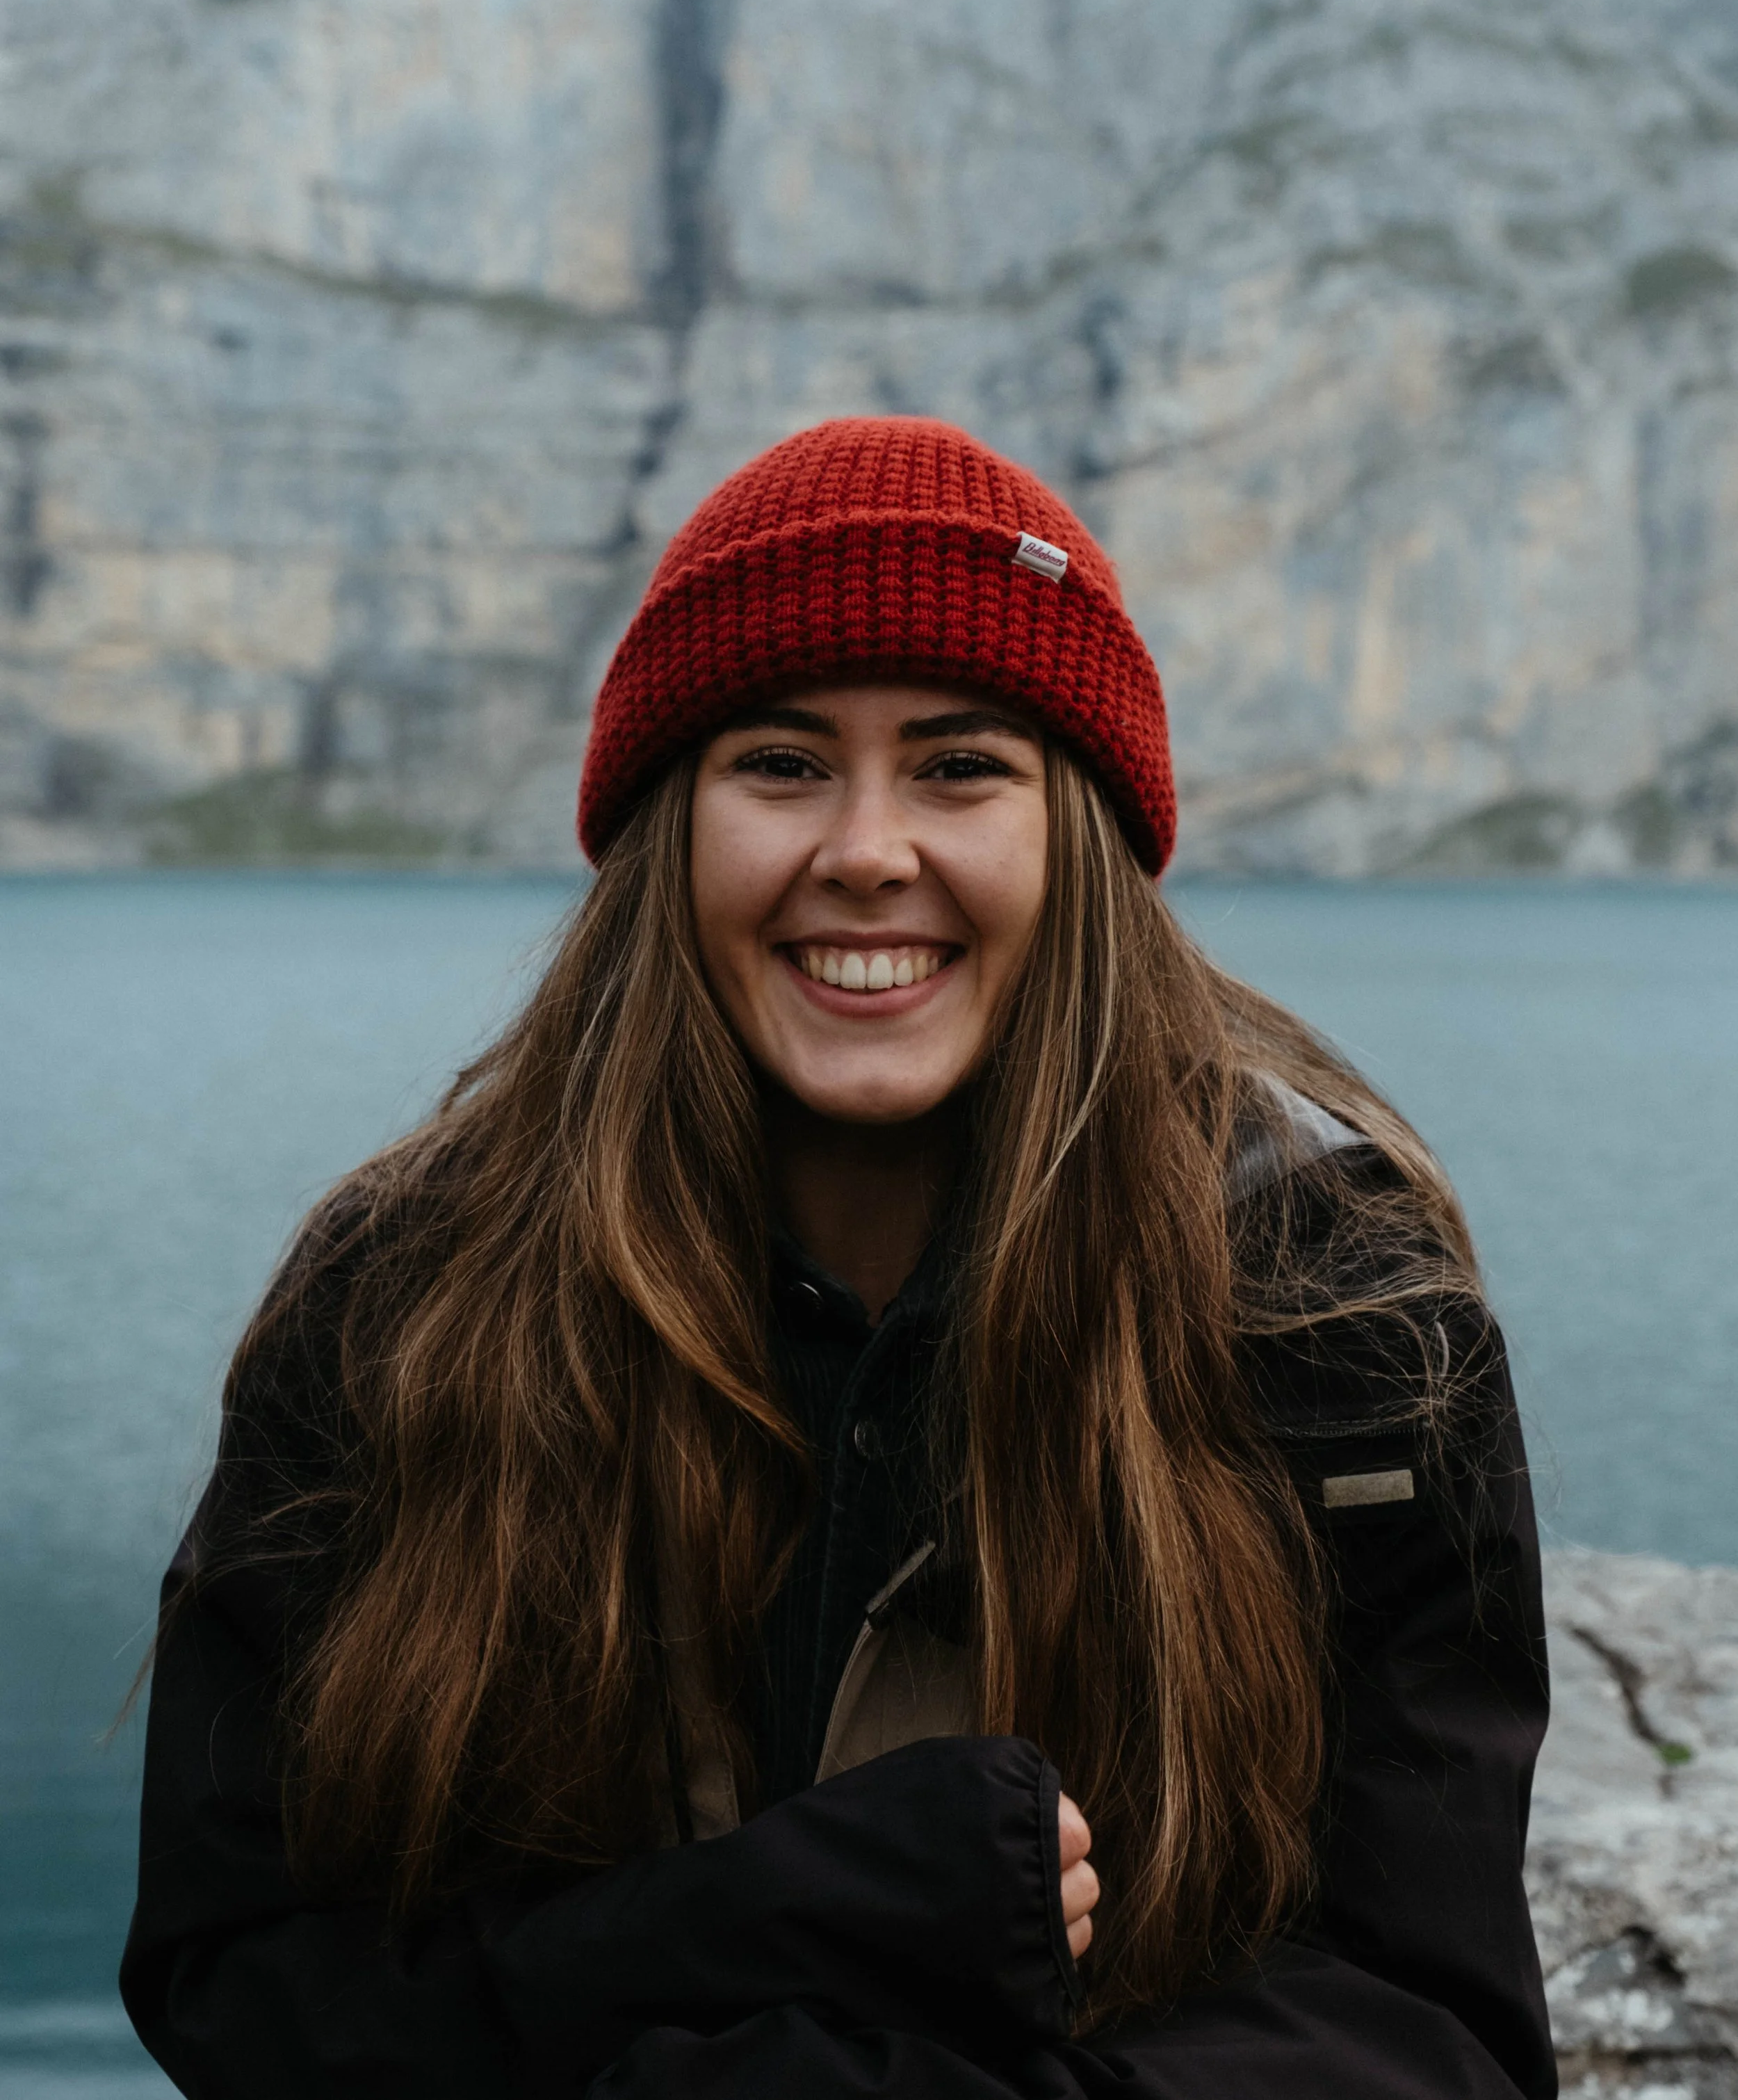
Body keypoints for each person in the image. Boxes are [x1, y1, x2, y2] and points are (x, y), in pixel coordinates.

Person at [121, 417, 1554, 2100]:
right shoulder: (401, 1302)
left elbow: (1431, 2028)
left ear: (1078, 836)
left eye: (959, 767)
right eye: (782, 764)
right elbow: (240, 1981)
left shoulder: (1334, 1300)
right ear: (668, 826)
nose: (867, 850)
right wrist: (757, 1918)